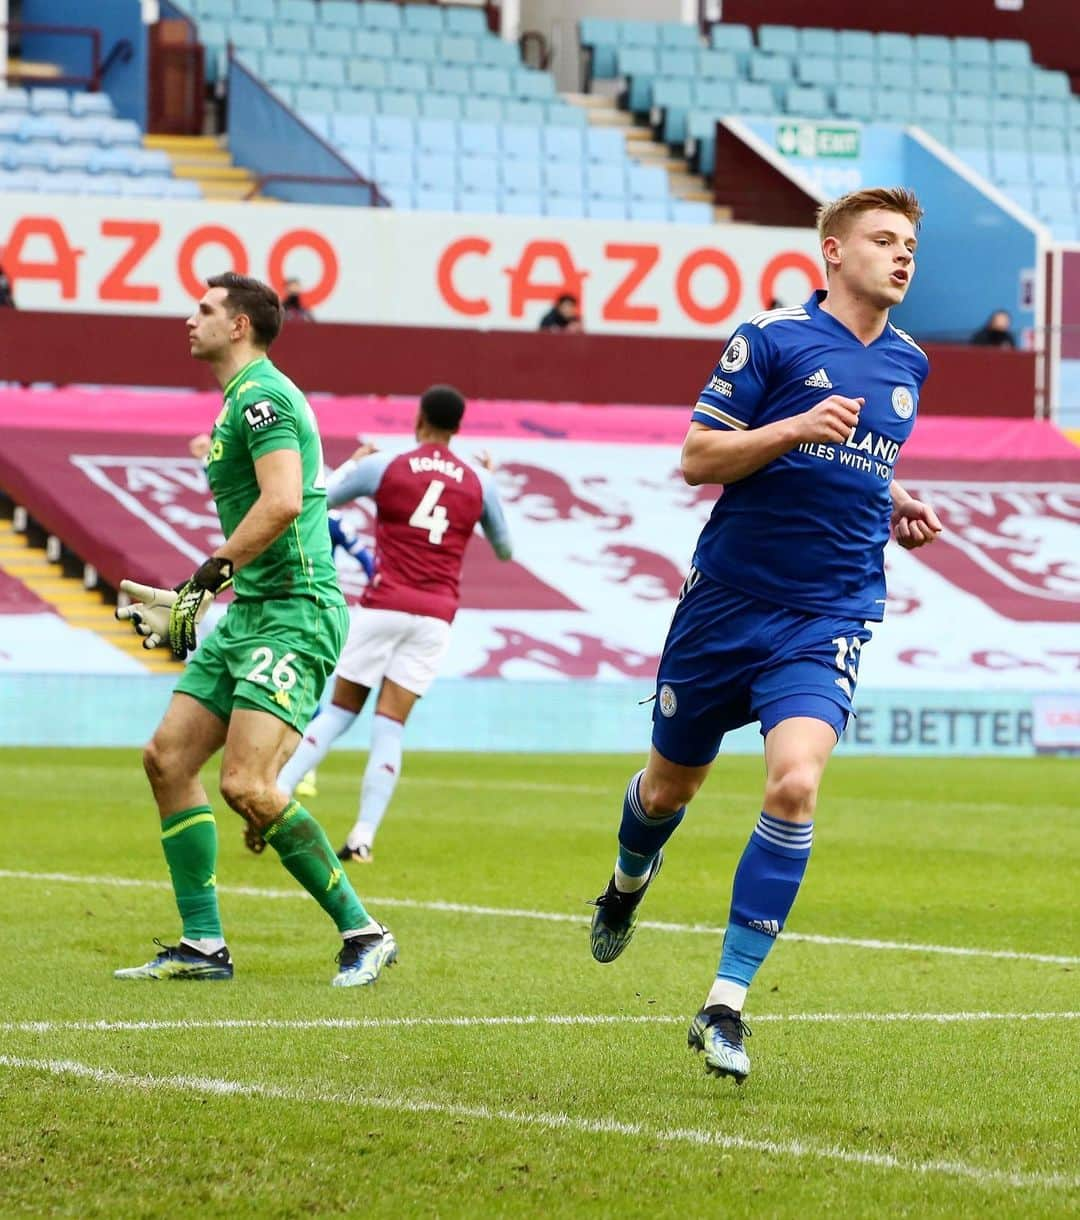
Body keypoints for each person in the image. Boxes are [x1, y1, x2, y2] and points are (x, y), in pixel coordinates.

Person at [587, 187, 944, 1083]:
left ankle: (725, 1006)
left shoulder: (910, 361)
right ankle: (627, 882)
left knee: (794, 784)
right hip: (726, 607)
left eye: (910, 245)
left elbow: (864, 460)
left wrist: (896, 499)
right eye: (883, 241)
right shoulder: (770, 339)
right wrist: (791, 427)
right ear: (832, 252)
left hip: (832, 612)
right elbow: (699, 456)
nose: (902, 257)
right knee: (668, 791)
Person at [114, 271, 396, 987]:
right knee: (167, 759)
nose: (190, 318)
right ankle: (203, 945)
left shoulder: (265, 397)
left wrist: (202, 581)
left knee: (247, 783)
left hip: (296, 610)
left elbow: (278, 504)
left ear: (239, 326)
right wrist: (208, 596)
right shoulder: (239, 403)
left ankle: (364, 932)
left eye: (205, 309)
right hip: (250, 613)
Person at [276, 384, 512, 863]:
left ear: (419, 419)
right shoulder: (478, 482)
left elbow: (318, 499)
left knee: (340, 713)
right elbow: (506, 549)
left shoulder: (386, 466)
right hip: (436, 616)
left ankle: (275, 798)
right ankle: (362, 836)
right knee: (391, 727)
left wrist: (352, 462)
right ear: (458, 428)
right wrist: (488, 484)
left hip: (384, 605)